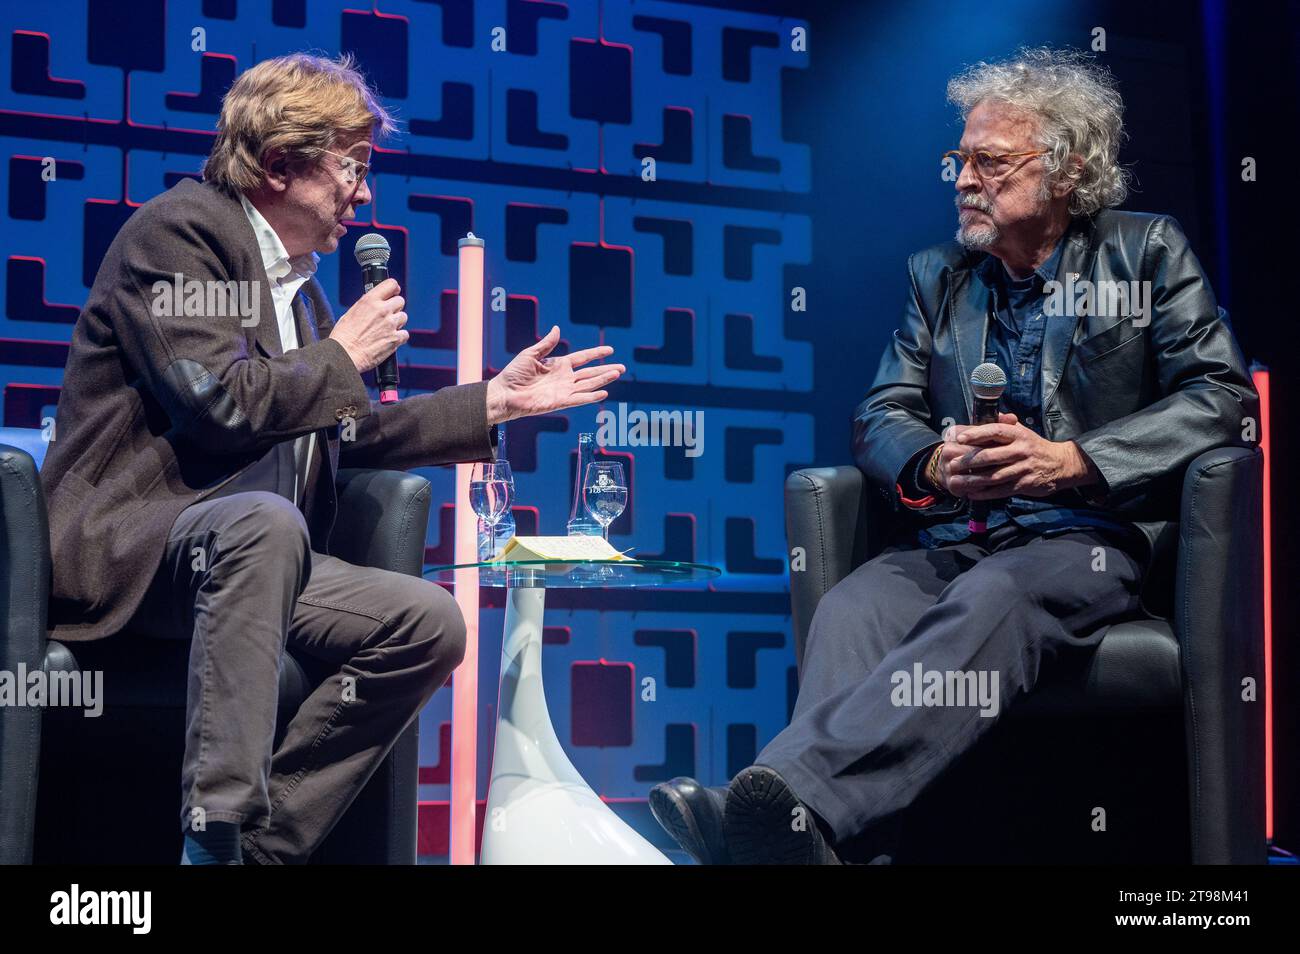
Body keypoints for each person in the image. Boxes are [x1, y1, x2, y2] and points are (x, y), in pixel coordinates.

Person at [650, 47, 1256, 864]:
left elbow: (1221, 396)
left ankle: (783, 814)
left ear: (1067, 170)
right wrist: (934, 464)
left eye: (990, 162)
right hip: (961, 536)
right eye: (957, 159)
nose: (964, 179)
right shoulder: (938, 277)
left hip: (1090, 539)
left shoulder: (1143, 253)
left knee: (1000, 592)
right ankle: (807, 838)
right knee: (855, 605)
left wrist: (1074, 460)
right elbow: (881, 411)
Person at [38, 53, 624, 864]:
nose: (366, 192)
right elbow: (221, 404)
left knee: (426, 622)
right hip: (143, 550)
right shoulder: (179, 235)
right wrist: (342, 353)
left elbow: (342, 433)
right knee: (265, 526)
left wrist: (492, 401)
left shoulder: (302, 290)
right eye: (352, 166)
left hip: (257, 552)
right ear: (280, 163)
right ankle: (212, 839)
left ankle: (265, 851)